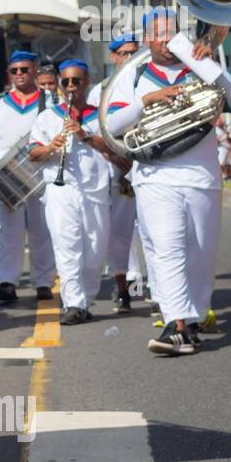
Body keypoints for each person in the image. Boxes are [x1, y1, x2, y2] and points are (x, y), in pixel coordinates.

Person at [106, 10, 231, 355]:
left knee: (200, 254)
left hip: (202, 177)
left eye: (172, 33)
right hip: (155, 177)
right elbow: (112, 124)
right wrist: (146, 101)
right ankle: (175, 323)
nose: (167, 40)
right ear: (147, 40)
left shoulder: (199, 67)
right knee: (167, 249)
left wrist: (209, 63)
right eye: (159, 34)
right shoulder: (134, 75)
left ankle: (193, 320)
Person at [29, 60, 116, 324]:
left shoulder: (102, 116)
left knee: (95, 251)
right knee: (66, 247)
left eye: (76, 81)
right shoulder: (47, 117)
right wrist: (50, 148)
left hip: (96, 190)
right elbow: (33, 154)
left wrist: (84, 136)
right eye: (65, 81)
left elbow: (114, 150)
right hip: (61, 189)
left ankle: (86, 299)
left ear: (86, 82)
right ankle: (73, 303)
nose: (70, 87)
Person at [0, 50, 56, 303]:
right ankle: (7, 282)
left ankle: (43, 281)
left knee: (41, 231)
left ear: (35, 70)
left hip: (40, 176)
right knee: (8, 233)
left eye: (25, 69)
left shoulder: (50, 100)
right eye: (14, 70)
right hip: (7, 177)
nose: (20, 74)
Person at [89, 31, 143, 313]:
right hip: (116, 170)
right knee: (120, 235)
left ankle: (159, 294)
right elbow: (95, 131)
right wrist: (114, 156)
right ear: (113, 57)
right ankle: (124, 289)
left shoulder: (147, 81)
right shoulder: (100, 91)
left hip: (147, 164)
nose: (131, 58)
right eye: (125, 53)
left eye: (135, 52)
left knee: (151, 234)